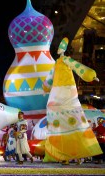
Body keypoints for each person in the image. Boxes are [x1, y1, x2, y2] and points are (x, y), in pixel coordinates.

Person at [42, 37, 102, 165]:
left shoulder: (59, 62)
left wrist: (45, 89)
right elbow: (78, 68)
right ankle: (72, 156)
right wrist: (91, 75)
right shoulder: (62, 61)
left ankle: (68, 156)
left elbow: (49, 80)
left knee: (64, 126)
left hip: (59, 96)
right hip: (65, 95)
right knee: (74, 125)